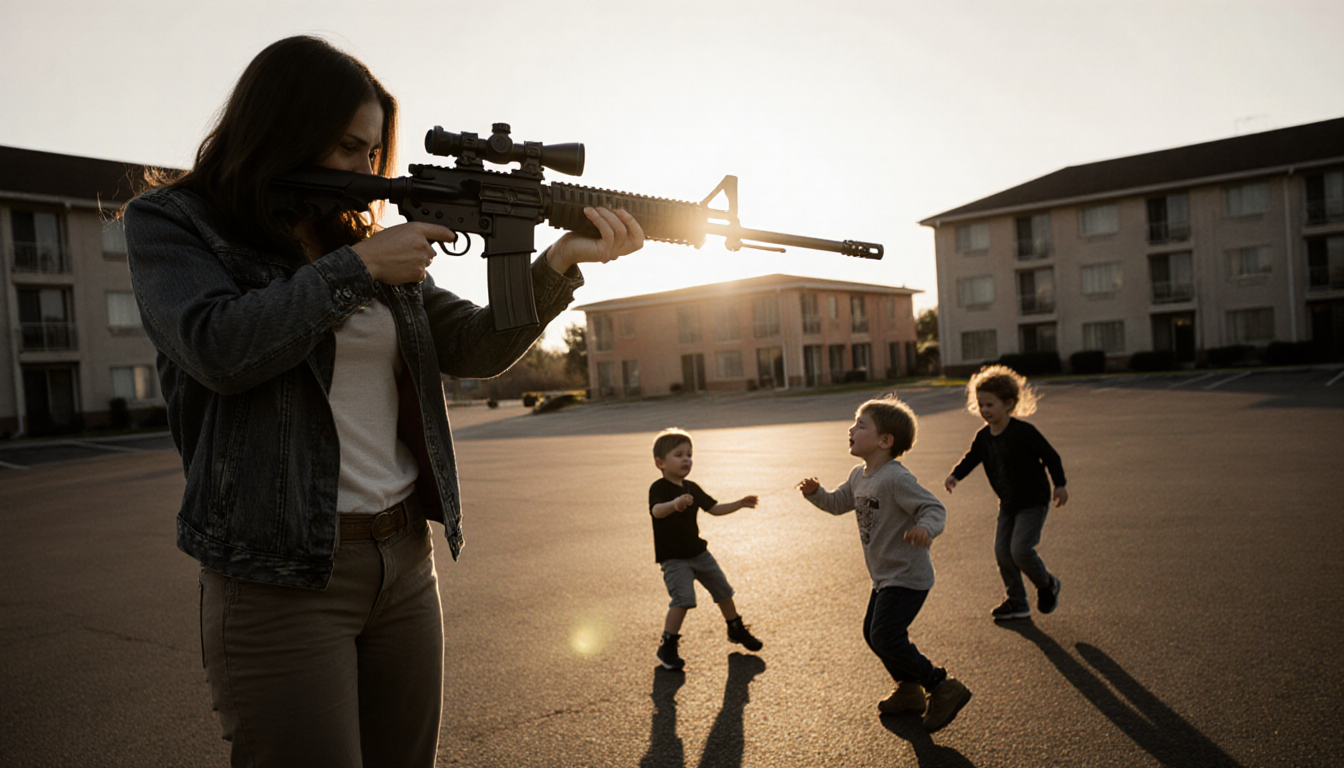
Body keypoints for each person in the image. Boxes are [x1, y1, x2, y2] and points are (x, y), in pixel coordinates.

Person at [122, 35, 644, 768]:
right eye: (344, 145)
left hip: (402, 560)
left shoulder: (359, 233)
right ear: (280, 127)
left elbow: (473, 348)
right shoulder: (177, 222)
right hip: (280, 573)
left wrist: (556, 264)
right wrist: (360, 267)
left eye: (371, 152)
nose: (362, 169)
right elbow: (218, 348)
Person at [797, 396, 971, 733]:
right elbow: (836, 504)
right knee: (873, 634)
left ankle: (941, 685)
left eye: (861, 424)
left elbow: (933, 508)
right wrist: (816, 494)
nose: (852, 428)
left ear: (884, 441)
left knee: (886, 635)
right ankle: (909, 690)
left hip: (908, 575)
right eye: (854, 422)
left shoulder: (895, 477)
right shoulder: (859, 475)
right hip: (884, 576)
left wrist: (926, 528)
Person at [944, 365, 1068, 624]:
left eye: (990, 404)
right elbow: (972, 458)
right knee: (1002, 552)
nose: (985, 410)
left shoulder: (1024, 433)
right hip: (1009, 504)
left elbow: (1051, 456)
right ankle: (1017, 602)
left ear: (1009, 403)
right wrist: (956, 475)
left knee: (1020, 549)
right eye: (981, 405)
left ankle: (1047, 585)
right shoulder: (983, 437)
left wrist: (1059, 484)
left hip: (1033, 502)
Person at [648, 427, 763, 671]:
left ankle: (735, 628)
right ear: (660, 462)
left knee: (723, 590)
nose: (686, 459)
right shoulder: (659, 488)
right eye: (678, 454)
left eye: (689, 454)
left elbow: (714, 508)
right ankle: (667, 645)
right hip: (674, 559)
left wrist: (740, 504)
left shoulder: (692, 487)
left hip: (699, 553)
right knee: (684, 599)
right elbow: (657, 511)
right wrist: (675, 504)